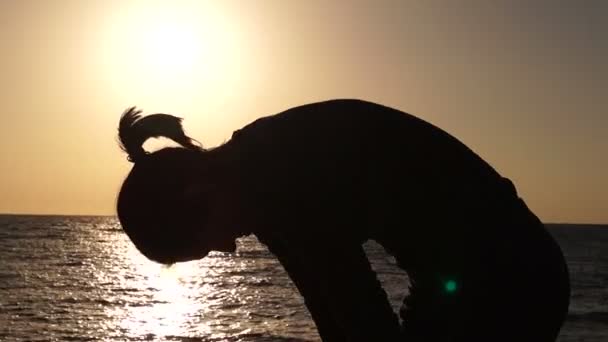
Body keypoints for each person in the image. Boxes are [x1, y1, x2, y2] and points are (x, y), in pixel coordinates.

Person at [116, 99, 570, 341]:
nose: (230, 249)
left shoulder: (281, 178)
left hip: (516, 280)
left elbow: (361, 314)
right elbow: (327, 307)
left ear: (200, 193)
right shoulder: (254, 181)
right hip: (451, 284)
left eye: (209, 243)